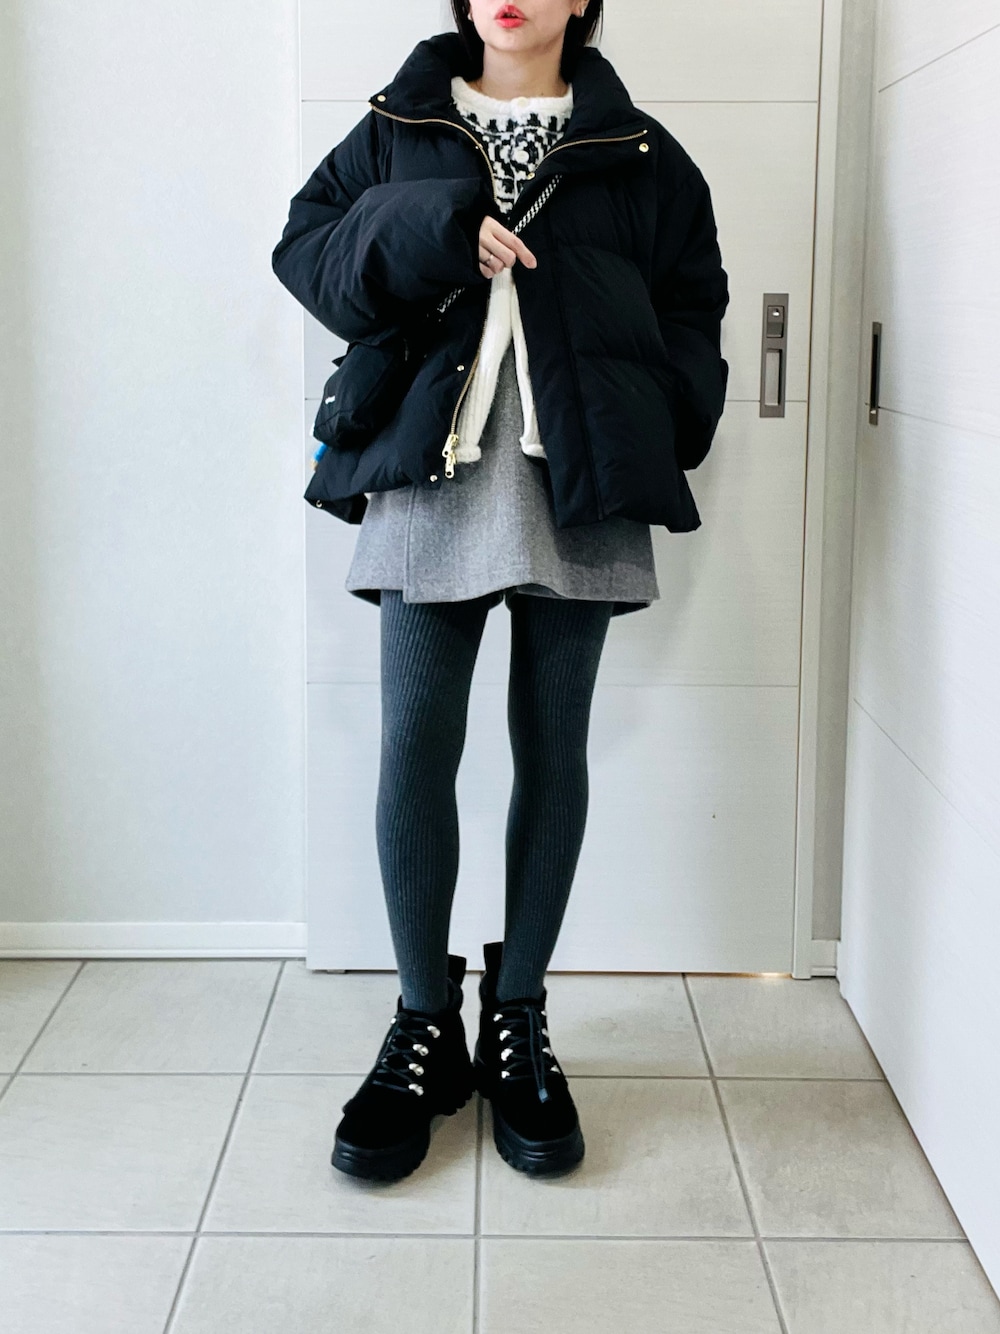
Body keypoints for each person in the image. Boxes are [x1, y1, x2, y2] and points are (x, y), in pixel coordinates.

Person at [271, 0, 729, 1184]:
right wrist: (434, 224)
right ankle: (424, 1023)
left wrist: (664, 419)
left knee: (552, 747)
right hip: (434, 471)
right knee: (415, 746)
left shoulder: (638, 148)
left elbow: (693, 302)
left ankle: (517, 1013)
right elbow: (308, 257)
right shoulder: (397, 126)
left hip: (583, 476)